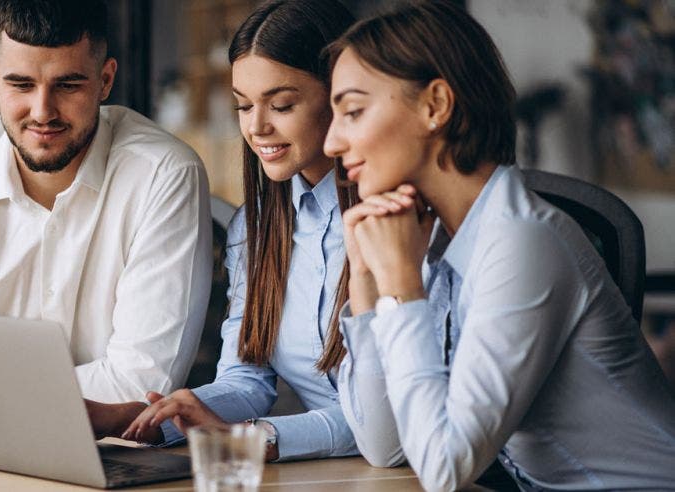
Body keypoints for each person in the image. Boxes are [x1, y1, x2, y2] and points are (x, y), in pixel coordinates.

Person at [324, 1, 675, 490]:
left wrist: (402, 288)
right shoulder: (432, 237)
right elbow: (386, 446)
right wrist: (367, 280)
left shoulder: (522, 241)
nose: (331, 144)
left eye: (353, 112)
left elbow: (445, 468)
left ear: (435, 105)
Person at [88, 0, 403, 465]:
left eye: (282, 104)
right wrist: (146, 419)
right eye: (242, 105)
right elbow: (245, 380)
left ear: (343, 97)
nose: (256, 127)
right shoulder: (255, 230)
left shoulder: (398, 223)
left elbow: (389, 423)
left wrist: (257, 437)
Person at [0, 0, 212, 422]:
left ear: (105, 79)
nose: (42, 112)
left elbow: (140, 388)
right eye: (21, 85)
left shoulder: (163, 174)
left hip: (116, 468)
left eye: (68, 85)